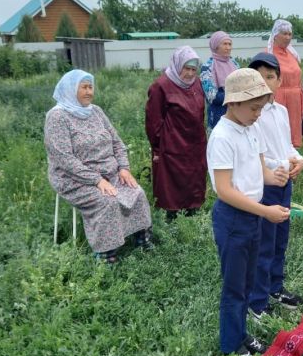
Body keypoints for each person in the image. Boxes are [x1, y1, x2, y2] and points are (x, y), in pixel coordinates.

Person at [207, 68, 291, 356]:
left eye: (261, 108)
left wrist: (274, 176)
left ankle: (242, 334)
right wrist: (264, 211)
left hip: (252, 215)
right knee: (234, 285)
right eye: (254, 108)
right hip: (232, 219)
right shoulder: (222, 136)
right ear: (233, 104)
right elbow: (225, 189)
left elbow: (259, 170)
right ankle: (231, 344)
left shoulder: (251, 127)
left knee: (247, 281)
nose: (258, 114)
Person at [45, 70, 153, 263]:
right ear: (70, 89)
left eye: (91, 87)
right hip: (73, 178)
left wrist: (124, 168)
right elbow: (64, 159)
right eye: (84, 87)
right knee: (107, 202)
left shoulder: (96, 111)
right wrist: (96, 180)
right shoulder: (57, 117)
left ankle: (142, 240)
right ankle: (106, 255)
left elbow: (117, 143)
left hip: (109, 173)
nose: (89, 92)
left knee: (136, 191)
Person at [247, 53, 303, 320]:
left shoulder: (280, 111)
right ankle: (257, 302)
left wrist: (299, 160)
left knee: (280, 239)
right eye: (259, 77)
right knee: (264, 244)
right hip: (265, 184)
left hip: (284, 182)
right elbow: (255, 156)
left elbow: (287, 145)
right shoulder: (249, 115)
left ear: (279, 80)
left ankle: (275, 287)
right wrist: (285, 162)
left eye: (270, 77)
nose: (265, 82)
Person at [145, 46, 207, 222]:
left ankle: (192, 218)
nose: (189, 73)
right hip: (172, 145)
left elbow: (200, 113)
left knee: (194, 182)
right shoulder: (161, 86)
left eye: (193, 69)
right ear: (177, 65)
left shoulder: (196, 83)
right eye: (186, 68)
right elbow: (153, 122)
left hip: (195, 143)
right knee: (171, 187)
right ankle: (170, 222)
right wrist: (158, 148)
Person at [267, 19, 303, 147]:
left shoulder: (292, 54)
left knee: (292, 138)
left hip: (294, 100)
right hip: (278, 98)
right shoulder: (268, 54)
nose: (288, 37)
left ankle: (293, 161)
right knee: (278, 135)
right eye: (284, 34)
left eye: (290, 34)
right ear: (275, 35)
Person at [200, 30, 239, 129]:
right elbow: (213, 97)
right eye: (225, 44)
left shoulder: (234, 64)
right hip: (218, 115)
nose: (228, 47)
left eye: (230, 44)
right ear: (216, 46)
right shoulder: (207, 67)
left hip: (238, 115)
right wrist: (237, 94)